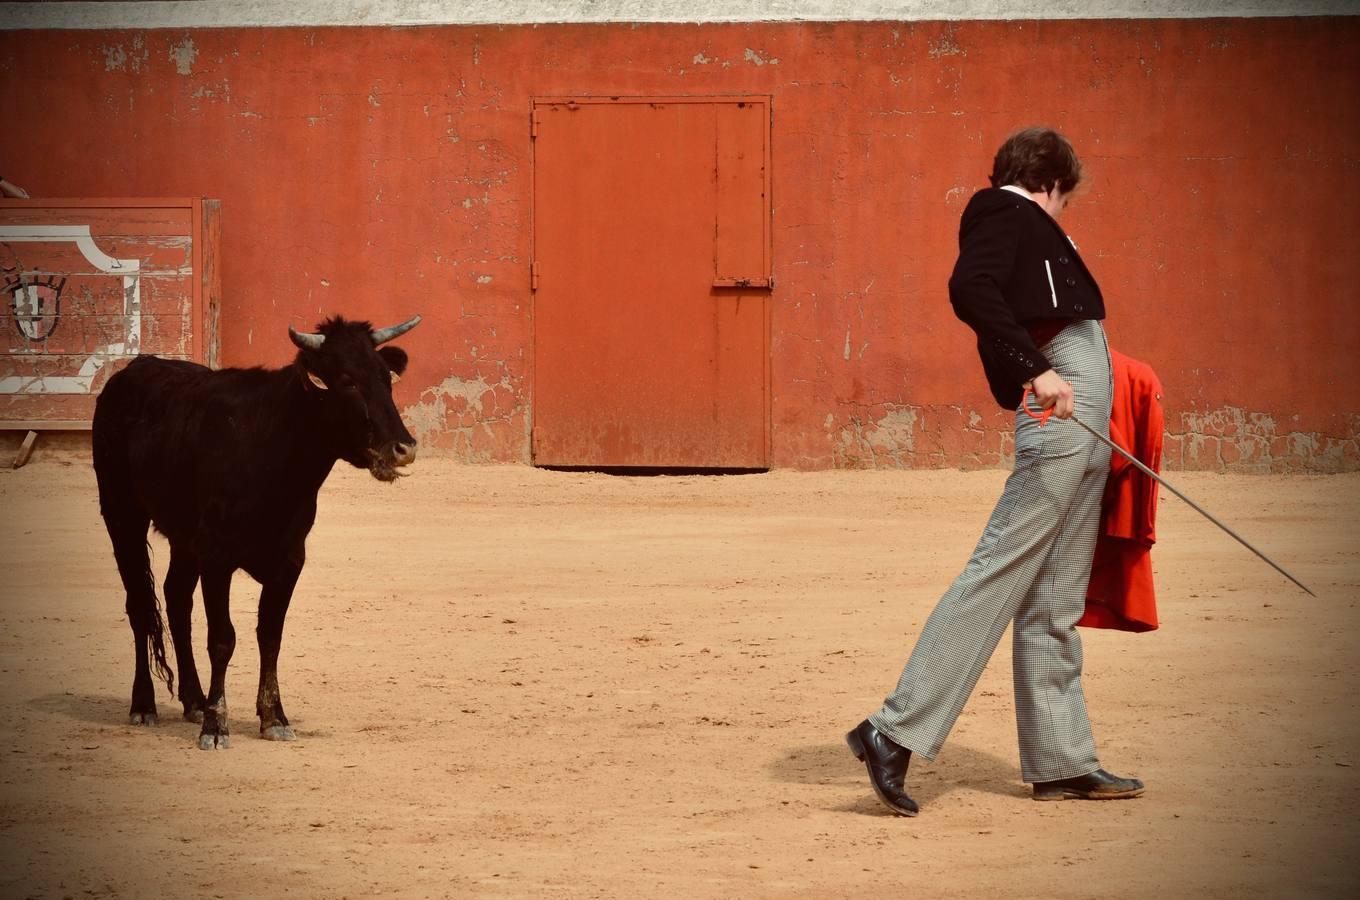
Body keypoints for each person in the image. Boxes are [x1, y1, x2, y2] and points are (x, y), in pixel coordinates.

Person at [846, 127, 1144, 816]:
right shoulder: (1006, 212)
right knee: (1000, 565)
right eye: (1066, 198)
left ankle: (1062, 760)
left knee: (1054, 597)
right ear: (1051, 182)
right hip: (1060, 401)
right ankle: (893, 731)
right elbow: (970, 288)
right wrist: (1038, 369)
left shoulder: (1015, 220)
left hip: (1079, 402)